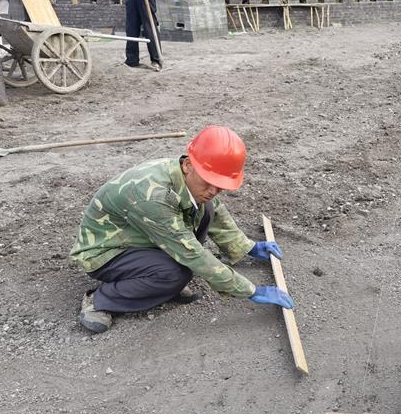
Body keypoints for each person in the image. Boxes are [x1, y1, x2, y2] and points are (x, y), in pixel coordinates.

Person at [70, 126, 294, 334]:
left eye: (220, 186)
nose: (213, 190)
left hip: (139, 237)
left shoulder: (186, 176)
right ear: (188, 165)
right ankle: (100, 301)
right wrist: (250, 290)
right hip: (104, 252)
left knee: (206, 209)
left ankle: (159, 284)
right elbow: (191, 253)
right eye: (208, 182)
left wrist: (246, 246)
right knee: (175, 274)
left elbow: (215, 210)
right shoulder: (153, 197)